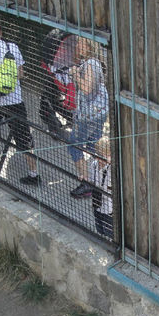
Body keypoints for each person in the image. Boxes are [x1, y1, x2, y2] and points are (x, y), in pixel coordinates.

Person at [0, 19, 39, 185]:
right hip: (15, 100)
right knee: (24, 137)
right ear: (1, 33)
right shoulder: (12, 47)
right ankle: (34, 173)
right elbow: (21, 74)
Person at [67, 37, 109, 198]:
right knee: (93, 145)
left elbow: (86, 88)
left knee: (74, 145)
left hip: (88, 116)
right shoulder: (93, 62)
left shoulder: (91, 63)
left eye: (80, 43)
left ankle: (87, 182)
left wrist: (75, 74)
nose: (77, 45)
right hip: (97, 113)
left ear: (89, 45)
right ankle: (98, 179)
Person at [87, 137, 114, 239]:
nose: (99, 158)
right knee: (100, 229)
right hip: (97, 202)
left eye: (104, 155)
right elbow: (92, 180)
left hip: (109, 208)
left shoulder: (112, 168)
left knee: (110, 232)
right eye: (98, 154)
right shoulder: (94, 164)